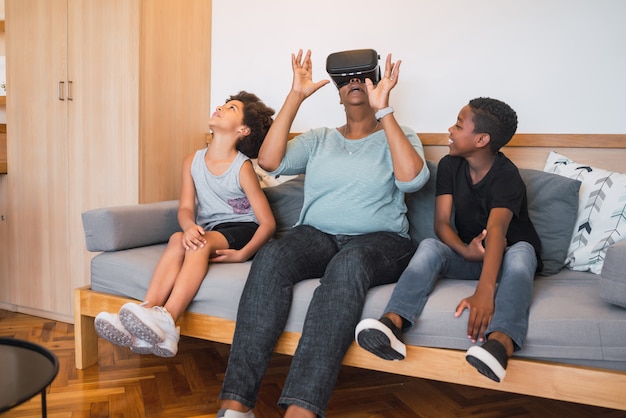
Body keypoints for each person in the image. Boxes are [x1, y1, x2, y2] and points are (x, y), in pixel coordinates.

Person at [217, 49, 429, 418]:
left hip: (380, 242)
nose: (354, 84)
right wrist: (296, 95)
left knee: (348, 265)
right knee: (273, 256)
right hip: (317, 235)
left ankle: (301, 410)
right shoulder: (319, 139)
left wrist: (385, 112)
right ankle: (236, 406)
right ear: (337, 91)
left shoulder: (400, 133)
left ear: (376, 82)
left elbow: (412, 180)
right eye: (345, 79)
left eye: (363, 77)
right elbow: (269, 161)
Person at [355, 97, 542, 383]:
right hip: (473, 256)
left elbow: (497, 232)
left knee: (522, 253)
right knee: (429, 245)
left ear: (481, 139)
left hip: (505, 257)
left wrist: (484, 291)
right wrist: (465, 253)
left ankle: (500, 344)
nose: (450, 130)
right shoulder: (449, 166)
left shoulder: (507, 177)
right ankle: (393, 323)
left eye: (458, 124)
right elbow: (441, 223)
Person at [94, 91, 276, 357]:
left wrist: (242, 255)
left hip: (243, 229)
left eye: (231, 108)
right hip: (213, 229)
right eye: (223, 104)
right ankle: (147, 311)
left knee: (199, 244)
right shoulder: (192, 162)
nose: (220, 107)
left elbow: (268, 223)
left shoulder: (243, 168)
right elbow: (185, 208)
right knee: (177, 239)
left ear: (243, 129)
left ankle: (168, 321)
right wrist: (189, 226)